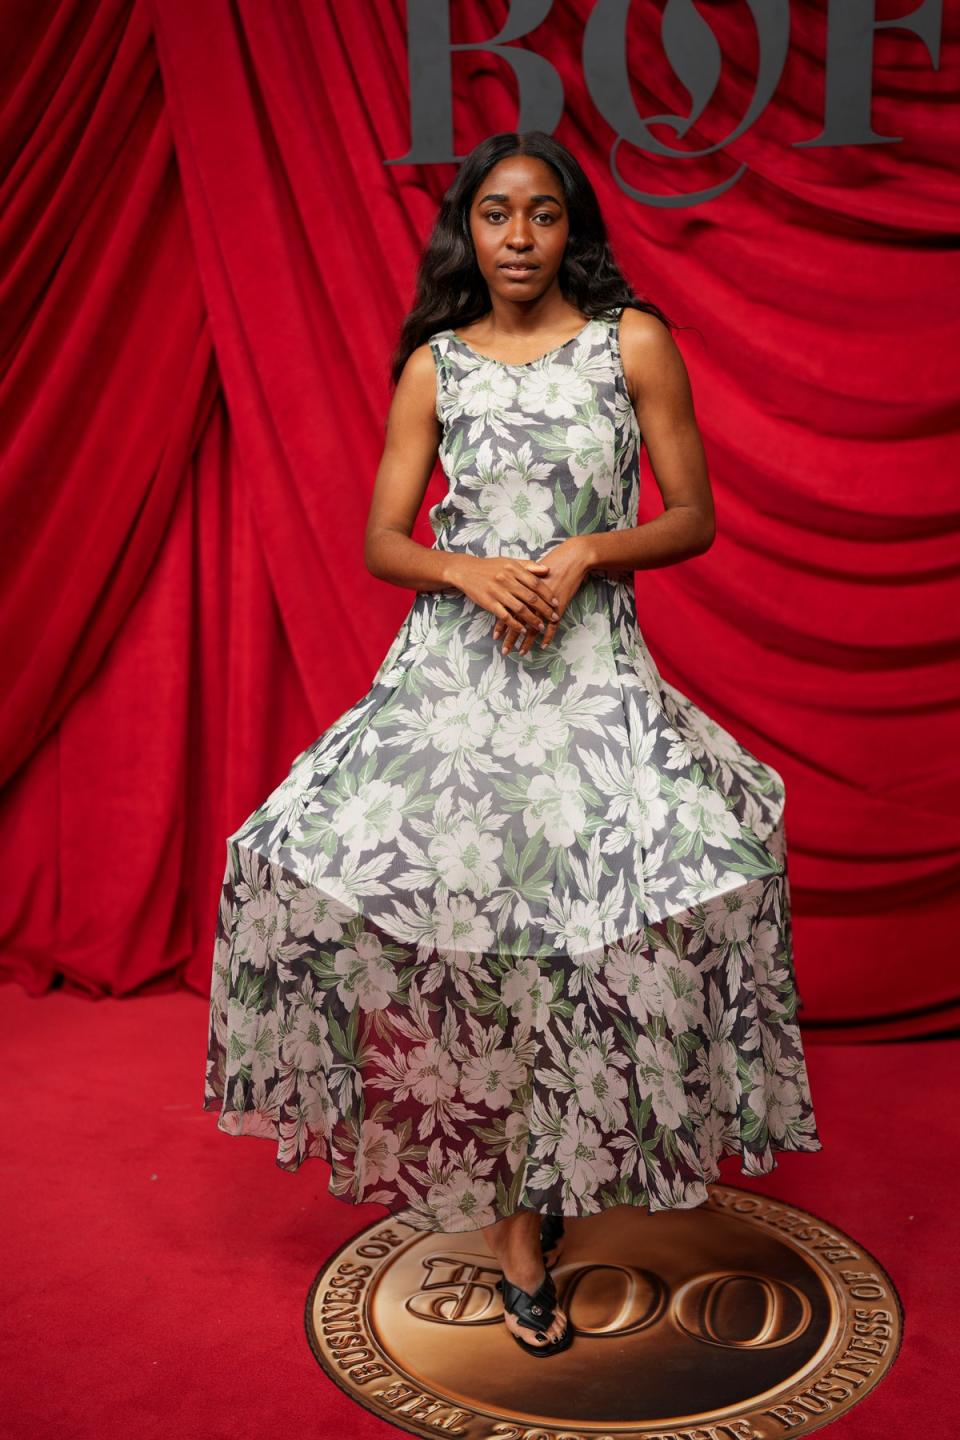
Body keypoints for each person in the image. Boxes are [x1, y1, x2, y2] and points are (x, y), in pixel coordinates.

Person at [204, 131, 823, 1359]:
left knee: (658, 894)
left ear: (570, 227)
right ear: (468, 234)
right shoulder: (437, 366)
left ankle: (589, 1151)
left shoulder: (630, 341)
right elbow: (385, 538)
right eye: (497, 214)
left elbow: (693, 515)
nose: (521, 236)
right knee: (447, 925)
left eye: (543, 213)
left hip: (594, 683)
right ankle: (514, 1217)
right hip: (458, 679)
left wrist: (593, 547)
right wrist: (463, 570)